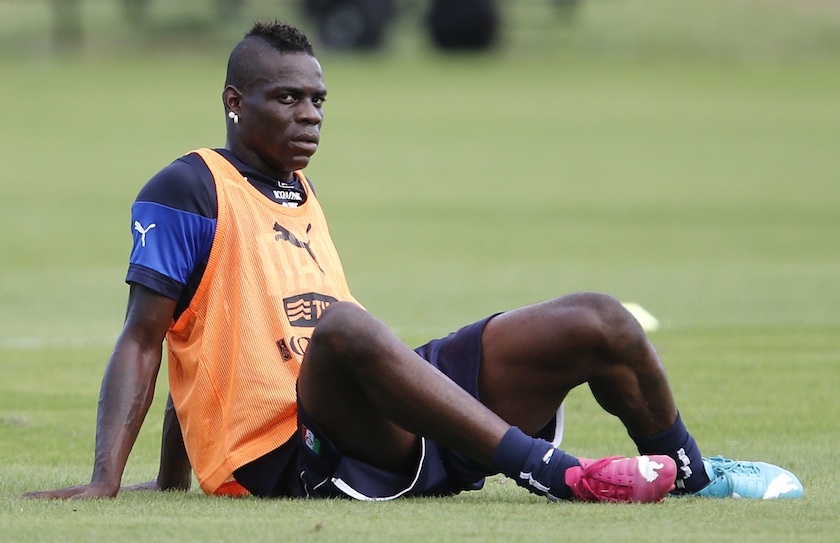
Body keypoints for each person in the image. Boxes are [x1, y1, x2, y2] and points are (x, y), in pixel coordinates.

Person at [25, 20, 803, 503]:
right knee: (343, 330)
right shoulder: (186, 185)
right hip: (299, 455)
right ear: (234, 101)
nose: (310, 116)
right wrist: (112, 479)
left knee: (598, 319)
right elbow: (149, 335)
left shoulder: (300, 190)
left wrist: (170, 477)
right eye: (287, 99)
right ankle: (556, 470)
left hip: (386, 413)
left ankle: (691, 472)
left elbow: (213, 334)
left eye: (318, 101)